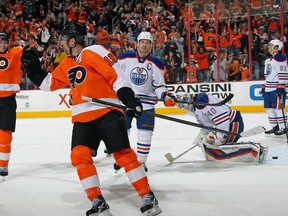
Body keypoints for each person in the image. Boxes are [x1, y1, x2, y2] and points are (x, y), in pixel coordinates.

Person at [20, 22, 162, 216]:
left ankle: (147, 196)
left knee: (123, 155)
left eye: (63, 39)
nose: (61, 43)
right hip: (82, 117)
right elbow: (49, 84)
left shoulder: (93, 51)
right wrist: (33, 70)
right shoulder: (68, 62)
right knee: (79, 156)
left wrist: (129, 97)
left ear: (72, 40)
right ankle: (97, 201)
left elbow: (116, 75)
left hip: (106, 111)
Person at [116, 31, 176, 172]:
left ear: (151, 45)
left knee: (145, 134)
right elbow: (115, 76)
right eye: (142, 42)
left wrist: (165, 96)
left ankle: (141, 163)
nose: (144, 45)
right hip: (126, 101)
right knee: (121, 132)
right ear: (137, 43)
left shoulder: (156, 62)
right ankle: (122, 159)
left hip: (146, 104)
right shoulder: (125, 58)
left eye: (147, 42)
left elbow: (159, 85)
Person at [0, 31, 48, 178]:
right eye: (0, 42)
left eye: (4, 42)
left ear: (9, 42)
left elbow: (32, 57)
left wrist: (40, 45)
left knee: (5, 134)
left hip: (7, 101)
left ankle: (3, 165)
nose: (2, 44)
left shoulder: (15, 53)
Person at [176, 93, 268, 163]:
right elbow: (207, 126)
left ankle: (256, 149)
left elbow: (223, 119)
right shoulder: (197, 106)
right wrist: (201, 136)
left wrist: (220, 138)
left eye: (185, 106)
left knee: (221, 148)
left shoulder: (201, 102)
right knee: (213, 146)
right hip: (229, 123)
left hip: (233, 123)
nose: (186, 108)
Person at [262, 39, 288, 135]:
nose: (268, 47)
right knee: (269, 108)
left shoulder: (280, 59)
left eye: (270, 45)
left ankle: (284, 127)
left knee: (278, 108)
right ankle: (275, 127)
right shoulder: (268, 60)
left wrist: (281, 87)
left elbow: (284, 75)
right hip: (269, 87)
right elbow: (267, 75)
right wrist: (264, 86)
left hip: (276, 87)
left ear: (276, 47)